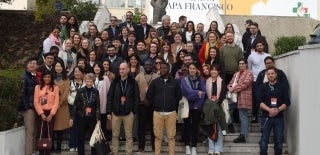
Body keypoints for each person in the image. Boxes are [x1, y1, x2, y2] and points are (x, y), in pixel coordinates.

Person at [147, 62, 182, 155]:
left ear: (169, 69)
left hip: (171, 113)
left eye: (164, 68)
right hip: (158, 113)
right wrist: (155, 104)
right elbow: (149, 95)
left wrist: (172, 104)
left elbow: (179, 96)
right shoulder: (155, 82)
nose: (162, 70)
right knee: (158, 136)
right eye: (161, 68)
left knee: (171, 136)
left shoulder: (175, 82)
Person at [107, 62, 139, 155]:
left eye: (123, 69)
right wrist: (109, 111)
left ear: (128, 70)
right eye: (120, 69)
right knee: (115, 135)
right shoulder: (115, 81)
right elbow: (110, 97)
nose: (121, 71)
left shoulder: (133, 82)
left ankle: (128, 153)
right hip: (116, 112)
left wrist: (134, 111)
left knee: (129, 135)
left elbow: (136, 97)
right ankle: (114, 152)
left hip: (128, 113)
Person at [257, 68, 290, 155]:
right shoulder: (262, 87)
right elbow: (259, 102)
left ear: (276, 75)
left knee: (279, 141)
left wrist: (278, 109)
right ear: (267, 76)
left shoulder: (282, 87)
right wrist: (269, 110)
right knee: (264, 140)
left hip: (279, 118)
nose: (270, 75)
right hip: (266, 117)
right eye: (269, 74)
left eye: (272, 73)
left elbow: (287, 102)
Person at [70, 73, 101, 155]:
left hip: (93, 117)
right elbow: (75, 105)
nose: (89, 83)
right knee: (81, 136)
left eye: (91, 81)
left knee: (93, 137)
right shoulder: (80, 91)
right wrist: (72, 118)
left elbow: (98, 106)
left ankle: (94, 153)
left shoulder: (96, 91)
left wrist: (98, 119)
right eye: (87, 81)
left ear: (93, 82)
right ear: (85, 81)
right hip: (81, 116)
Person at [180, 62, 206, 155]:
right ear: (188, 69)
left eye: (193, 68)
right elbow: (186, 93)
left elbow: (203, 94)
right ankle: (187, 146)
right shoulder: (184, 80)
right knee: (186, 127)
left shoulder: (201, 80)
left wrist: (197, 105)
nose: (192, 70)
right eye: (190, 68)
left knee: (195, 127)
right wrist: (196, 93)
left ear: (196, 70)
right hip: (187, 106)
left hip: (196, 107)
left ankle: (194, 146)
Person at [135, 60, 159, 153]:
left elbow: (159, 91)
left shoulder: (157, 76)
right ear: (143, 66)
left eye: (149, 65)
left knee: (154, 127)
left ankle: (154, 146)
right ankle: (141, 146)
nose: (148, 66)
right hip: (142, 105)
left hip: (153, 106)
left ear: (153, 66)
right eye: (146, 65)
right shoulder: (139, 76)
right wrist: (141, 100)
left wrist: (152, 101)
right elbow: (135, 90)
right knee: (141, 127)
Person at [203, 64, 227, 155]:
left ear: (219, 71)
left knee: (219, 128)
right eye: (212, 70)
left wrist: (217, 103)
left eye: (215, 70)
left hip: (218, 106)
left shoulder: (222, 81)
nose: (213, 71)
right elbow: (205, 94)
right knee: (210, 127)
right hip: (209, 107)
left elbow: (223, 94)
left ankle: (218, 148)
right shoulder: (207, 81)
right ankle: (211, 148)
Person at [227, 59, 253, 143]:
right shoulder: (236, 74)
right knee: (225, 108)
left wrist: (233, 89)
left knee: (243, 117)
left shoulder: (249, 73)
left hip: (243, 97)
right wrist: (229, 87)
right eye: (240, 64)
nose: (241, 65)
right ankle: (229, 123)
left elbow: (244, 85)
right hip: (234, 98)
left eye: (242, 63)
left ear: (246, 65)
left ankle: (243, 136)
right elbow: (229, 84)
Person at [34, 71, 59, 155]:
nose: (47, 79)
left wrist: (51, 114)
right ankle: (41, 152)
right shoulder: (38, 87)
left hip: (51, 113)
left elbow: (56, 102)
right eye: (45, 77)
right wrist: (41, 113)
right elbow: (36, 102)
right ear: (42, 78)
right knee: (40, 133)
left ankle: (48, 152)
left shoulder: (55, 88)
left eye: (49, 77)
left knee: (49, 133)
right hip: (40, 113)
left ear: (51, 78)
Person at [18, 57, 40, 155]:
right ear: (27, 65)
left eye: (34, 63)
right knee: (30, 132)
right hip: (29, 108)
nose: (32, 65)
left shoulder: (34, 77)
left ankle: (33, 151)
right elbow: (21, 93)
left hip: (35, 107)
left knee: (34, 131)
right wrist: (27, 107)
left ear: (37, 66)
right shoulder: (25, 76)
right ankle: (28, 153)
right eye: (30, 63)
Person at [247, 41, 271, 123]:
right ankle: (254, 115)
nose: (259, 47)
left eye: (260, 45)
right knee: (255, 98)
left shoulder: (268, 56)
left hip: (266, 80)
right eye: (257, 46)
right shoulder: (251, 56)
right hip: (255, 80)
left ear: (263, 46)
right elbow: (249, 69)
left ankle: (265, 114)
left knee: (266, 97)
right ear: (256, 48)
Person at [52, 61, 71, 153]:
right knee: (52, 126)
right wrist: (54, 104)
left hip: (62, 106)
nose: (58, 68)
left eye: (60, 66)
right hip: (51, 106)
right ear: (54, 67)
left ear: (63, 68)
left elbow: (67, 91)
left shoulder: (66, 78)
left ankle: (58, 147)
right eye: (56, 66)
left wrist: (60, 102)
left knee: (60, 128)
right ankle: (51, 146)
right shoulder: (51, 78)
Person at [67, 66, 86, 152]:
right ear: (73, 73)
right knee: (72, 126)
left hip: (82, 108)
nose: (77, 73)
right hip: (71, 107)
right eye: (75, 72)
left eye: (79, 72)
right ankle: (72, 144)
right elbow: (68, 95)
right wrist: (73, 102)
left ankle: (78, 145)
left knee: (80, 127)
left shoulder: (85, 83)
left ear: (82, 73)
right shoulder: (69, 82)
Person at [92, 62, 111, 138]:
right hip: (92, 106)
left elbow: (108, 92)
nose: (96, 68)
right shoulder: (90, 78)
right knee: (93, 126)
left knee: (102, 125)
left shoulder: (105, 78)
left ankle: (103, 143)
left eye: (98, 67)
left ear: (101, 69)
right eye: (95, 67)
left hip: (102, 105)